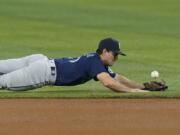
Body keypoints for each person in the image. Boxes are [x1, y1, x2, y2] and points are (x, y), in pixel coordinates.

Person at [0, 38, 149, 92]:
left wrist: (141, 86)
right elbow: (109, 83)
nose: (116, 57)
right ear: (105, 51)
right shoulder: (96, 63)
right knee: (2, 82)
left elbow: (117, 77)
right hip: (41, 72)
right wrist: (132, 92)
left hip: (39, 61)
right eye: (115, 54)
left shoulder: (95, 60)